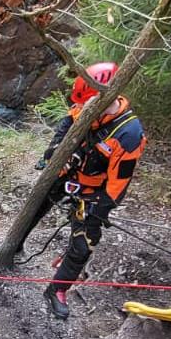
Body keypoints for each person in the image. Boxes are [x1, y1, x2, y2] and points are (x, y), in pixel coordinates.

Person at [32, 62, 146, 320]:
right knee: (35, 207)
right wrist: (51, 156)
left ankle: (57, 290)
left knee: (84, 244)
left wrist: (100, 210)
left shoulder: (129, 133)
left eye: (86, 104)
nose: (81, 109)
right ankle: (15, 246)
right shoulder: (84, 109)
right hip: (67, 174)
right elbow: (64, 128)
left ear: (104, 97)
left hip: (94, 189)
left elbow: (120, 181)